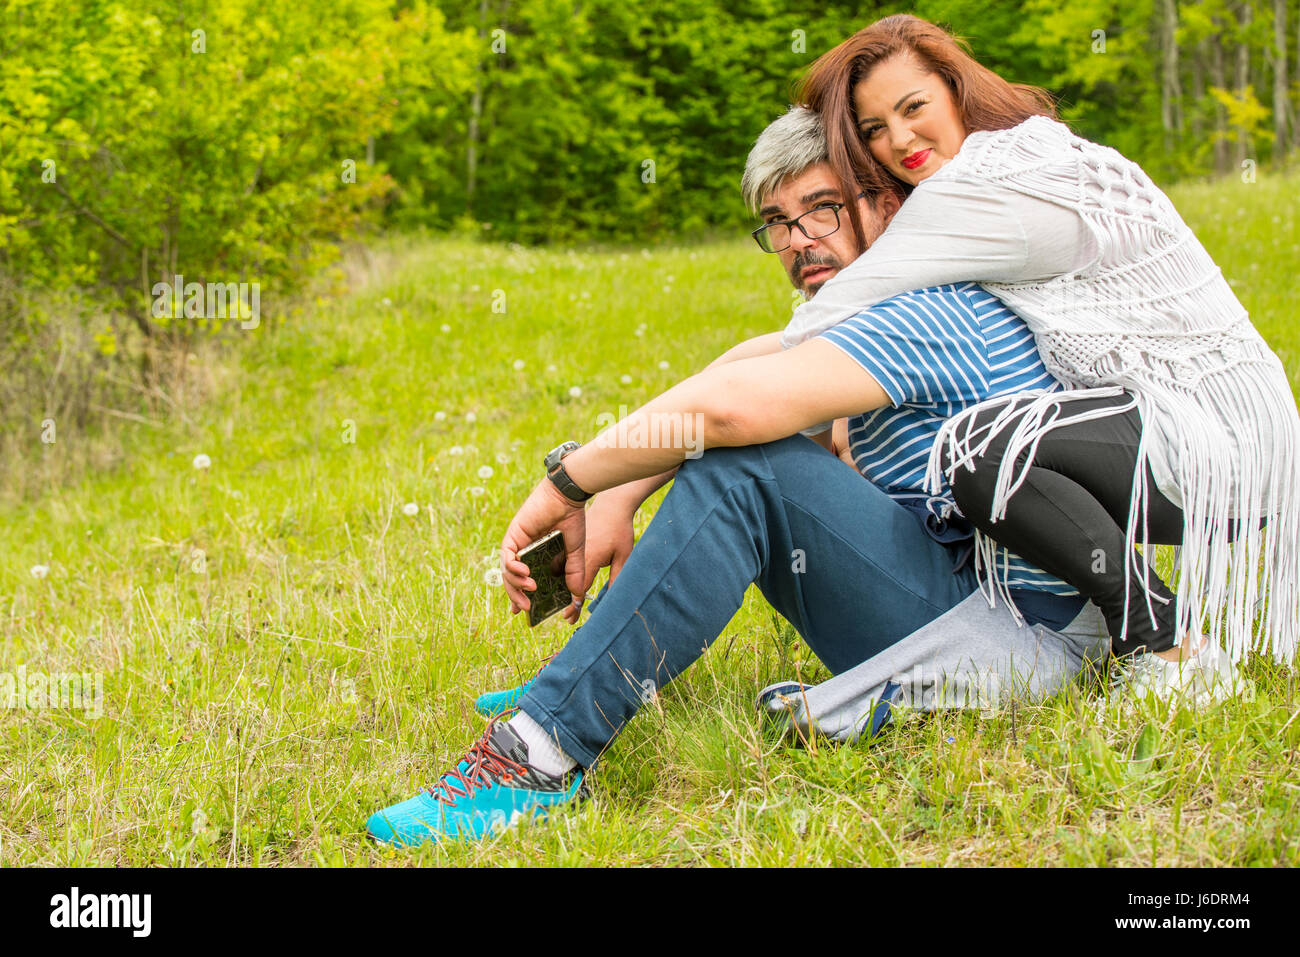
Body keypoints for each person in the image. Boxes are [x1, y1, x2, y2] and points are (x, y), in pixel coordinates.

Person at [364, 107, 1111, 847]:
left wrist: (568, 484)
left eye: (821, 208)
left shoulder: (926, 309)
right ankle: (585, 675)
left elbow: (726, 415)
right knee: (748, 456)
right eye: (777, 221)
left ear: (883, 203)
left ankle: (536, 757)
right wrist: (621, 495)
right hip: (965, 608)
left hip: (1020, 642)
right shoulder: (865, 312)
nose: (799, 241)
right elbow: (744, 369)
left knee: (747, 464)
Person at [781, 15, 1299, 690]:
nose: (899, 140)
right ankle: (1155, 634)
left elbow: (815, 328)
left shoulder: (987, 182)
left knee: (981, 447)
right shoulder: (1026, 152)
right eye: (874, 129)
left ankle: (1171, 648)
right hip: (1213, 424)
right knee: (992, 442)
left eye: (913, 108)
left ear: (955, 88)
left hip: (1218, 434)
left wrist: (640, 464)